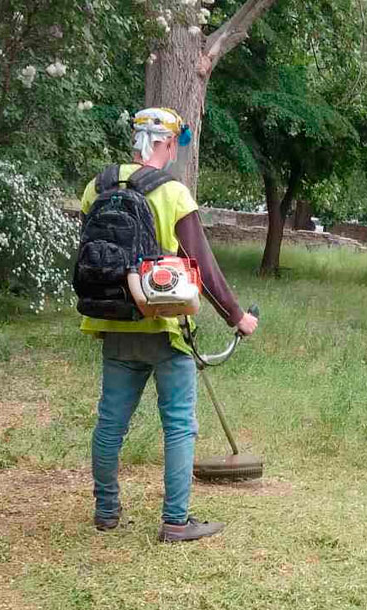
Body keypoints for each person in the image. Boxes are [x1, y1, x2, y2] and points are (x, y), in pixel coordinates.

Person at [78, 108, 258, 542]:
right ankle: (176, 521)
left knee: (110, 423)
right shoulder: (173, 193)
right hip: (164, 326)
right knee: (179, 424)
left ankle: (106, 511)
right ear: (167, 143)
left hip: (114, 322)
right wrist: (238, 317)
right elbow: (204, 268)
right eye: (176, 144)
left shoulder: (96, 186)